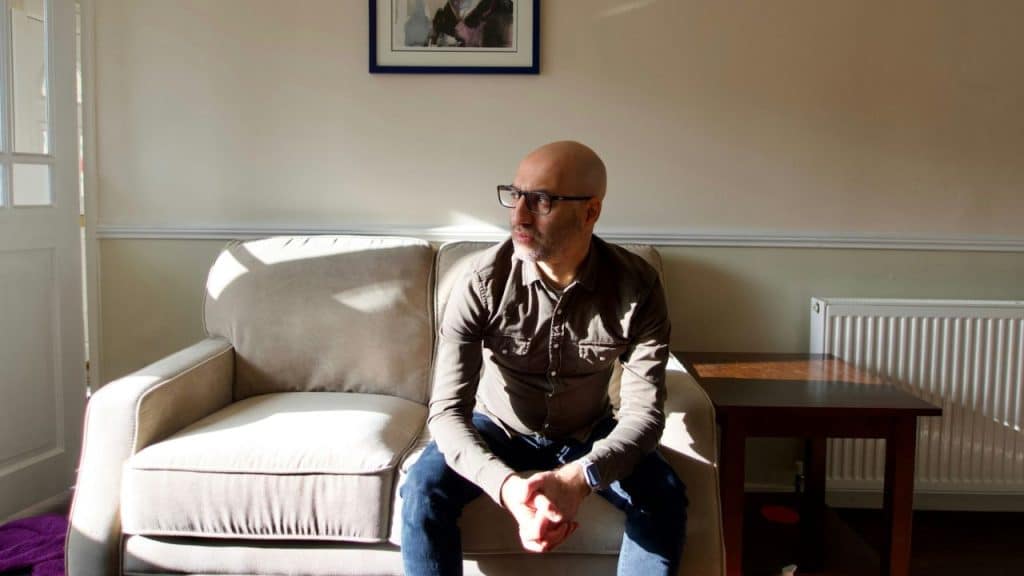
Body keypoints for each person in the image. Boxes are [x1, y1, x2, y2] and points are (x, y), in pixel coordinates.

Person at [401, 141, 687, 576]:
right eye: (515, 195)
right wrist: (508, 488)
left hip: (589, 431)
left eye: (542, 200)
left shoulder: (637, 286)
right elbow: (446, 413)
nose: (519, 215)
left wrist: (581, 477)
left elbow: (644, 417)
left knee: (664, 495)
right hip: (496, 428)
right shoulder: (480, 282)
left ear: (590, 212)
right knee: (423, 488)